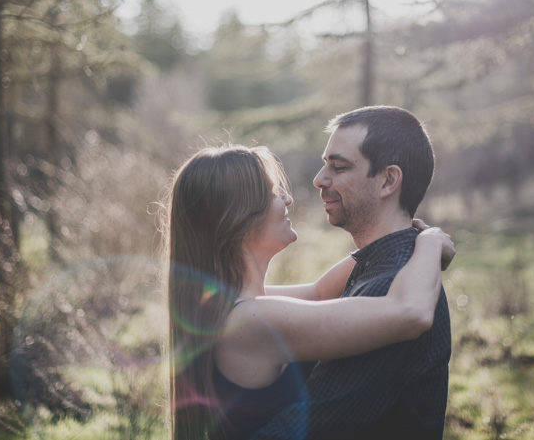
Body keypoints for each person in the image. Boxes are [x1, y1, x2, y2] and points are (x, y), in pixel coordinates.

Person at [165, 143, 454, 440]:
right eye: (275, 193)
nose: (288, 199)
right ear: (237, 217)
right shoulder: (252, 320)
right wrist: (431, 241)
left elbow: (319, 292)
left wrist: (402, 236)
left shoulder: (231, 305)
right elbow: (411, 311)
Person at [250, 105, 450, 440]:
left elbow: (298, 432)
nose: (319, 180)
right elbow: (303, 295)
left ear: (388, 180)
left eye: (338, 167)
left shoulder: (387, 288)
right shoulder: (378, 267)